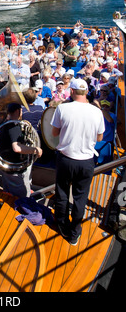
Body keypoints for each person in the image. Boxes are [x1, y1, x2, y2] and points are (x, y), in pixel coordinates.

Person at [51, 79, 105, 246]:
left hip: (66, 159)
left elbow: (54, 133)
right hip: (86, 161)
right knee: (80, 198)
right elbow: (100, 137)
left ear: (72, 91)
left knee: (62, 194)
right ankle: (75, 233)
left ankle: (62, 225)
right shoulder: (97, 112)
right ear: (86, 92)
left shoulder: (62, 108)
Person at [0, 102, 42, 198]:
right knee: (23, 197)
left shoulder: (5, 123)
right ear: (18, 111)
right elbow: (17, 148)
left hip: (6, 164)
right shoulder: (14, 126)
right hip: (14, 168)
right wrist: (35, 149)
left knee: (8, 193)